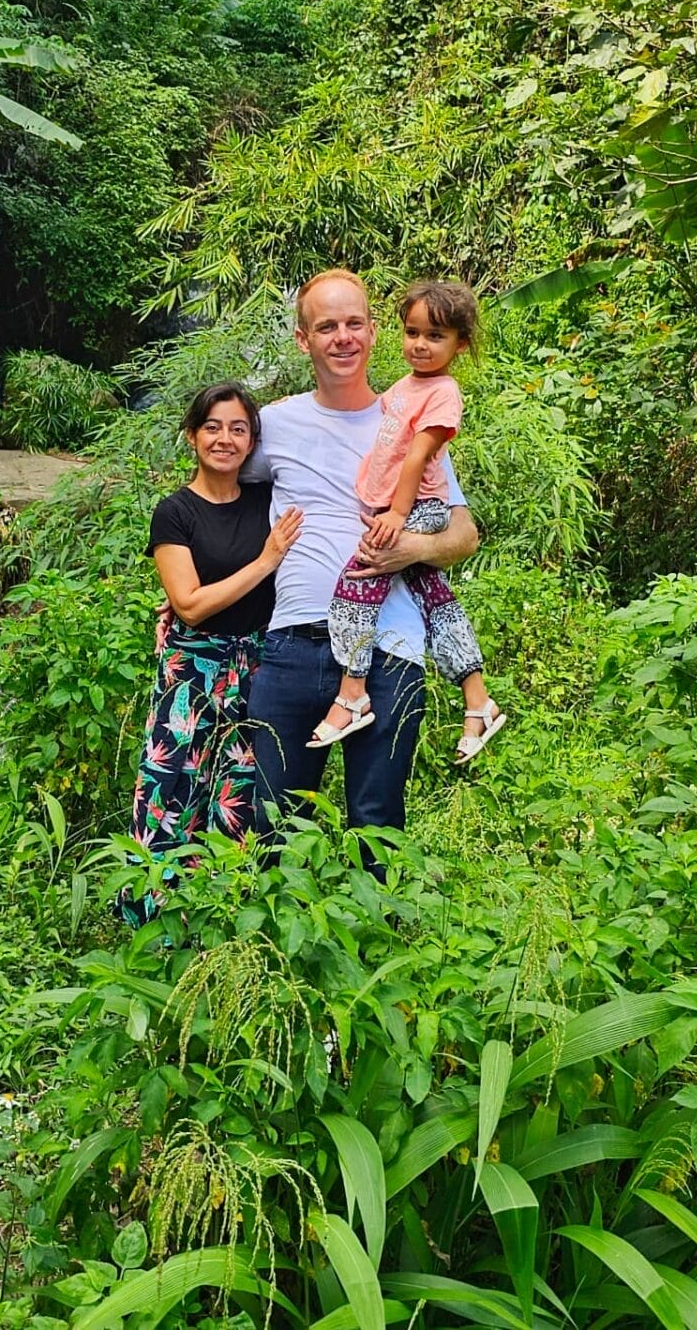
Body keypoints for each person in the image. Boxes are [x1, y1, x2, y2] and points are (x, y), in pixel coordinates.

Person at [241, 269, 480, 842]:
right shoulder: (272, 424)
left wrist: (408, 550)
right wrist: (185, 594)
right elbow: (224, 506)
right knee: (273, 822)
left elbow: (463, 534)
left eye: (354, 323)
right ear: (304, 340)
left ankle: (379, 928)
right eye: (327, 326)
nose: (342, 337)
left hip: (390, 648)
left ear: (374, 332)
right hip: (292, 644)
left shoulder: (412, 417)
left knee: (376, 822)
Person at [119, 383, 304, 926]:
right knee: (171, 791)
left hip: (256, 669)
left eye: (238, 428)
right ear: (192, 435)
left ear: (252, 442)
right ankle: (149, 931)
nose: (224, 439)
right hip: (191, 672)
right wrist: (267, 560)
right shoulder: (175, 512)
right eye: (213, 427)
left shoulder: (267, 500)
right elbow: (191, 605)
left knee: (239, 797)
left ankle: (220, 933)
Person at [311, 279, 506, 764]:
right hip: (395, 506)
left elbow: (417, 456)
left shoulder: (443, 392)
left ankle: (352, 693)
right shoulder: (405, 386)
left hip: (416, 507)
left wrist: (397, 515)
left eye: (435, 336)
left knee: (355, 585)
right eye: (412, 332)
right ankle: (478, 700)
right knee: (435, 599)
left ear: (460, 344)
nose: (420, 344)